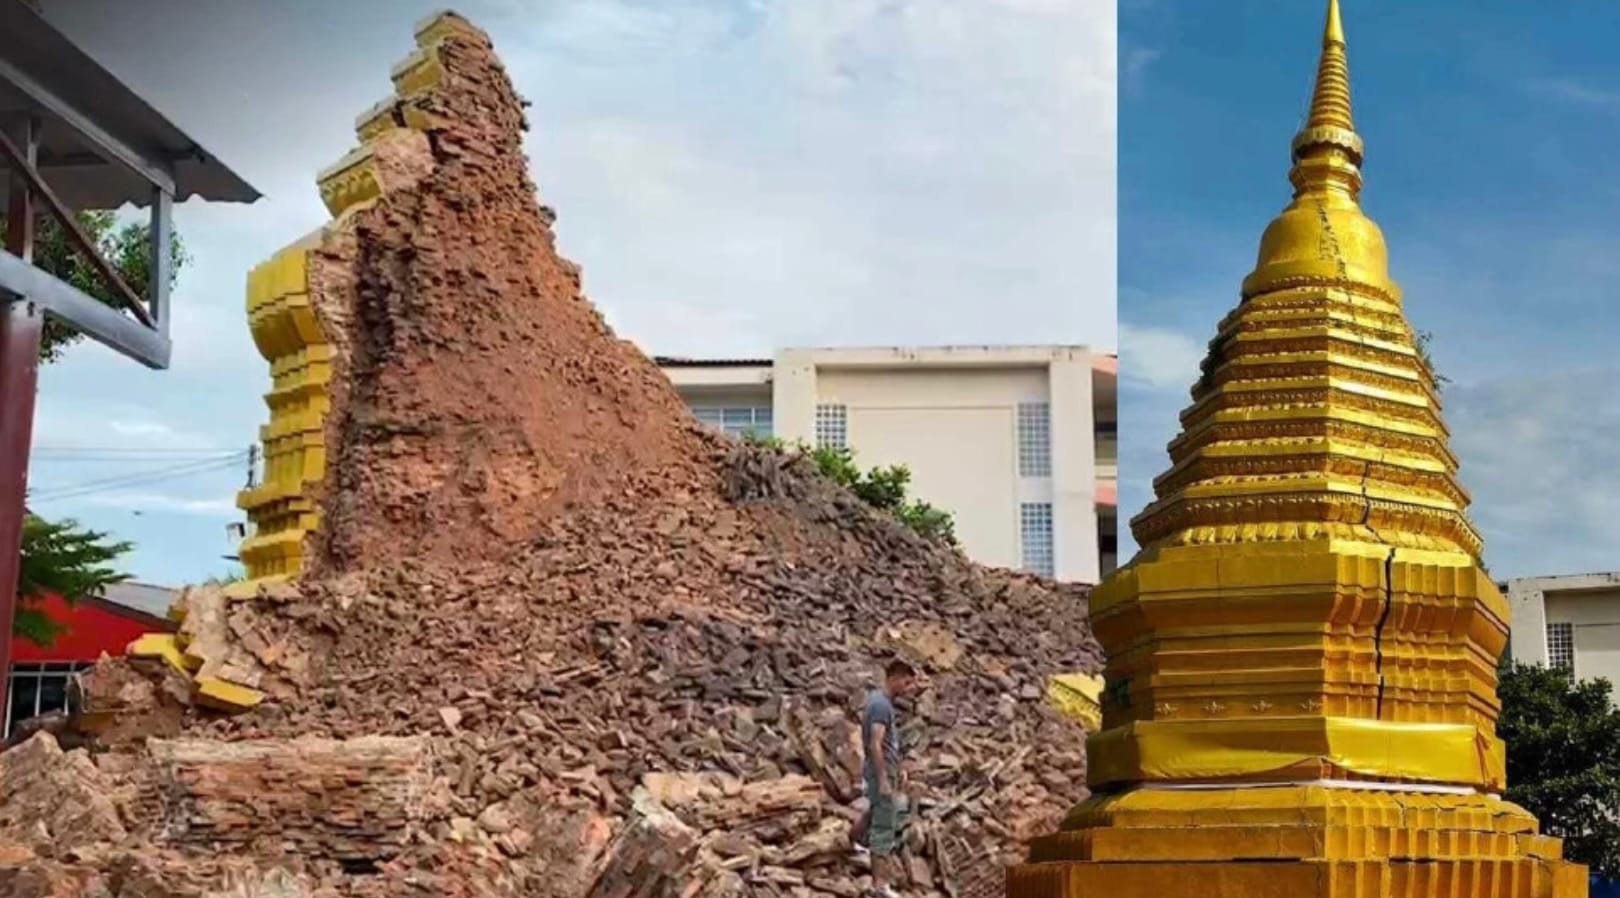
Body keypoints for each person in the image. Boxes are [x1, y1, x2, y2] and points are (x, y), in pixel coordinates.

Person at [853, 658, 918, 898]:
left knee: (877, 809)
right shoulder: (881, 706)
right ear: (894, 678)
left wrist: (898, 767)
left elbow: (888, 743)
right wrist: (883, 780)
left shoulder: (881, 702)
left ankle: (854, 840)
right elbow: (875, 744)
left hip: (886, 768)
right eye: (908, 682)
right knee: (884, 825)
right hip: (880, 770)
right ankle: (879, 886)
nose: (910, 688)